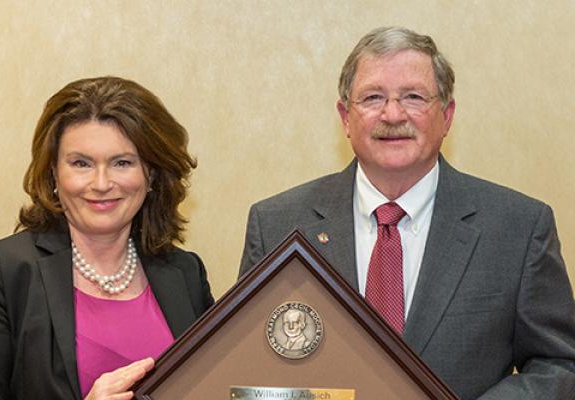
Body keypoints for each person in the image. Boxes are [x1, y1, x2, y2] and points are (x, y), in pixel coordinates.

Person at [239, 27, 575, 399]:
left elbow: (559, 363)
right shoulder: (278, 225)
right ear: (345, 117)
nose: (392, 113)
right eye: (372, 97)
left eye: (413, 97)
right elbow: (248, 365)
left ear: (446, 116)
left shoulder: (519, 227)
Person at [0, 76, 214, 400]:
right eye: (81, 163)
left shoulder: (185, 272)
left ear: (152, 174)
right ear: (53, 174)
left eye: (122, 163)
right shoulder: (4, 271)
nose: (101, 183)